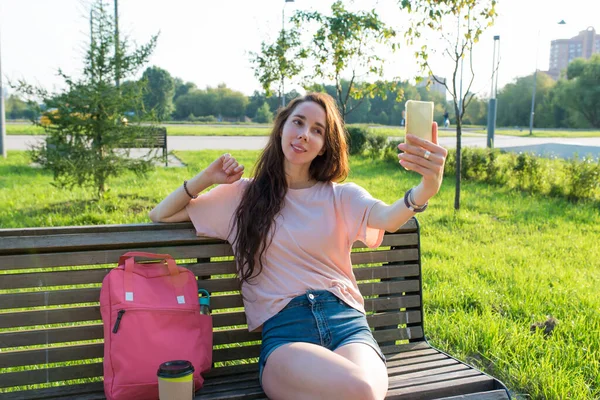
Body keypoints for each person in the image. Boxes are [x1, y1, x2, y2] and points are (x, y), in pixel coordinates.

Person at [149, 92, 447, 400]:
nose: (305, 134)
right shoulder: (242, 197)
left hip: (348, 326)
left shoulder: (341, 197)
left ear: (323, 147)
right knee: (359, 390)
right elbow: (161, 214)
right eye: (299, 123)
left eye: (317, 130)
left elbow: (387, 217)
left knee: (366, 391)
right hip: (287, 335)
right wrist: (206, 178)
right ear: (282, 128)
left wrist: (426, 189)